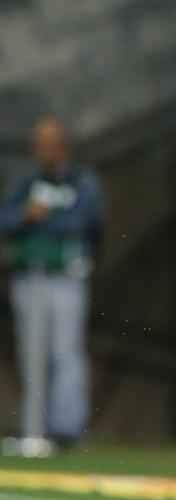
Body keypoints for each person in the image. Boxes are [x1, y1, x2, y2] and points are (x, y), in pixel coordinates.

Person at [0, 116, 104, 446]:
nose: (42, 150)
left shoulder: (81, 182)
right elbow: (5, 218)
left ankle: (67, 429)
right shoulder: (28, 182)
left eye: (48, 143)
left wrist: (44, 220)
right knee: (31, 354)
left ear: (62, 146)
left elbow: (87, 221)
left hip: (65, 277)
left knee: (65, 352)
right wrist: (25, 217)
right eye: (38, 143)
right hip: (29, 275)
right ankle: (34, 429)